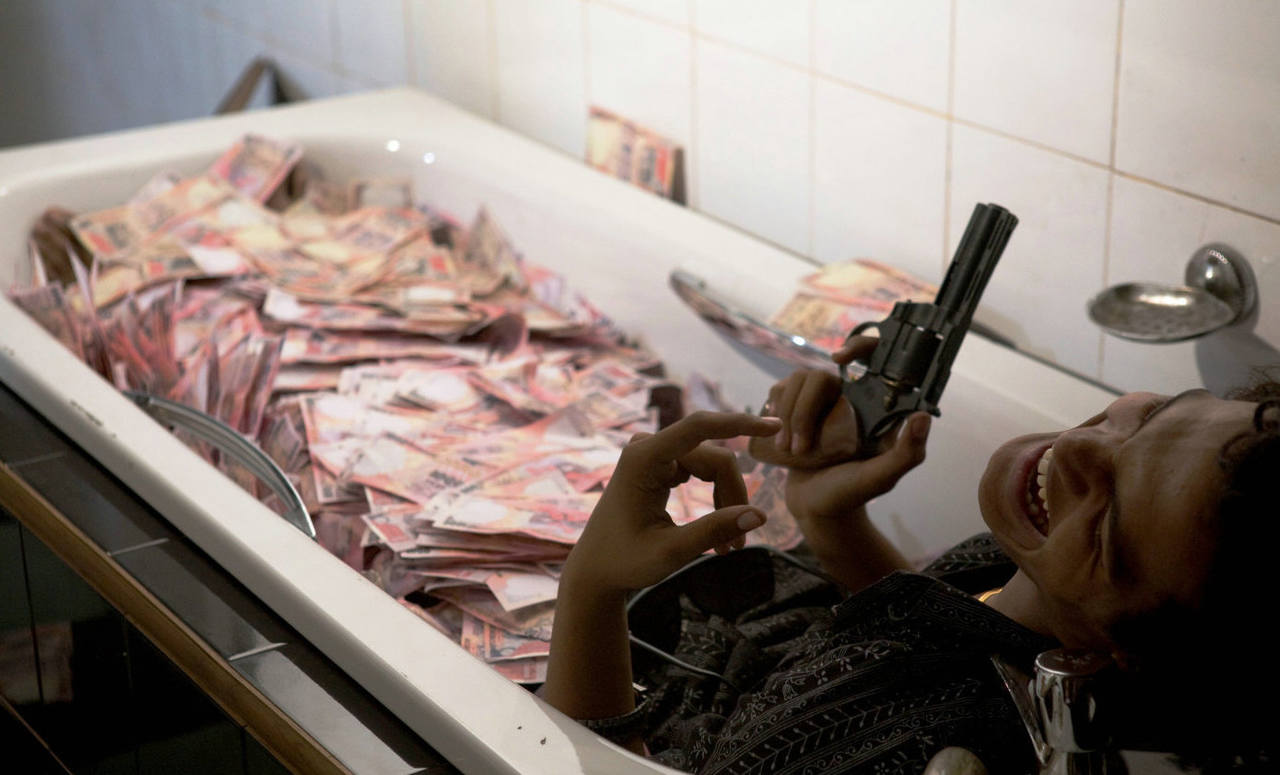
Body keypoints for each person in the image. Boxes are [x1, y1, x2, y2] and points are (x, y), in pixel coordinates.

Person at [542, 337, 1280, 773]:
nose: (1085, 441)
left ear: (1129, 656)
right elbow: (947, 630)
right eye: (1154, 413)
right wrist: (829, 516)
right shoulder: (1036, 587)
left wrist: (591, 591)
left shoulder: (915, 751)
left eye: (1110, 514)